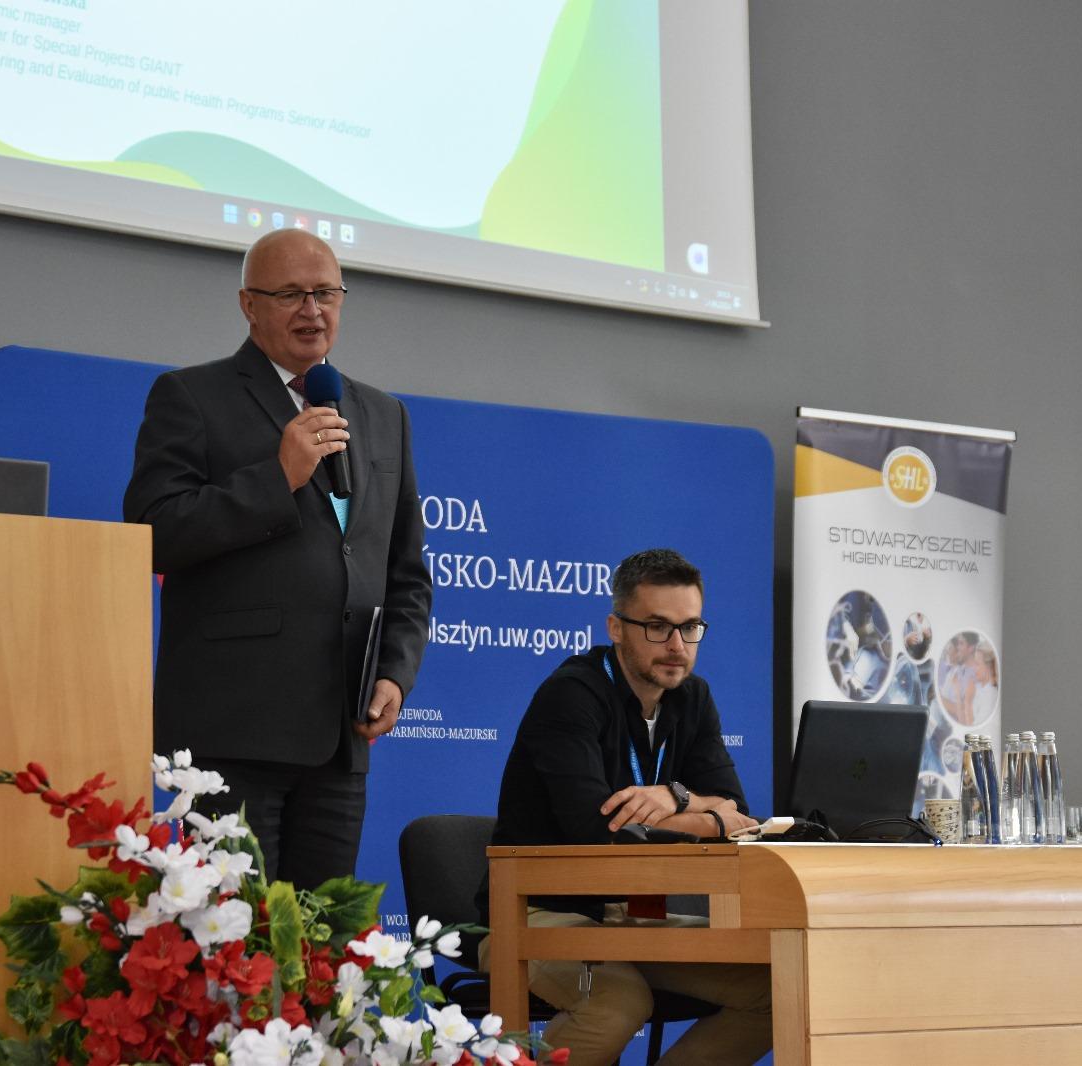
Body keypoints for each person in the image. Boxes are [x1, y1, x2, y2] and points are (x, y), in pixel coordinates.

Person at [122, 228, 431, 888]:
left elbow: (405, 572)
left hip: (340, 733)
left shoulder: (384, 415)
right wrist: (277, 477)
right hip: (232, 734)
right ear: (248, 305)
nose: (312, 310)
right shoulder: (192, 396)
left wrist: (395, 672)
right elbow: (153, 531)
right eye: (290, 294)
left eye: (326, 293)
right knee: (235, 934)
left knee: (323, 937)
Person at [476, 548, 772, 1066]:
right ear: (616, 628)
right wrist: (708, 815)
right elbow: (599, 830)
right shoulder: (571, 694)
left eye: (690, 628)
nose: (677, 646)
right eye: (657, 627)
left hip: (628, 916)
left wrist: (675, 796)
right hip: (533, 915)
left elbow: (739, 814)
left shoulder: (693, 698)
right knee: (618, 1002)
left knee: (775, 986)